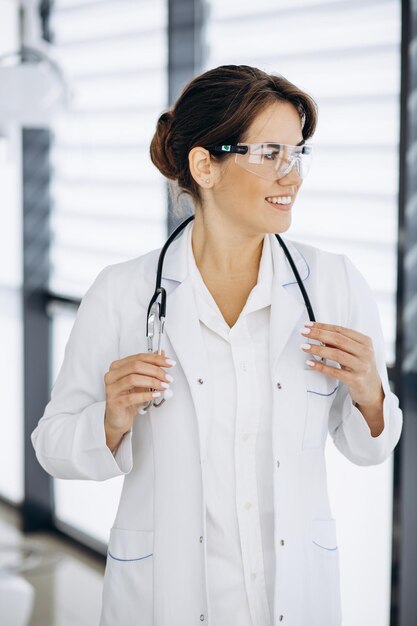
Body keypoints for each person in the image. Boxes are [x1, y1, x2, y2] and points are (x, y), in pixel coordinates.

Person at [31, 64, 403, 626]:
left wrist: (371, 393)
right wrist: (110, 419)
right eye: (269, 153)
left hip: (292, 594)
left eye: (297, 153)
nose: (292, 175)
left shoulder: (333, 283)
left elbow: (369, 448)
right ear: (205, 165)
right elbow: (52, 444)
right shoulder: (122, 292)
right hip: (165, 597)